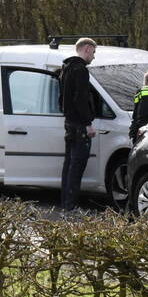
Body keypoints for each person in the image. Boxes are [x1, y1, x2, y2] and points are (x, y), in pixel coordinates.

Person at [58, 37, 97, 211]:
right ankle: (72, 206)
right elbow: (80, 98)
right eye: (94, 52)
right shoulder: (80, 70)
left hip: (69, 124)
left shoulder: (65, 68)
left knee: (68, 165)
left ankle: (66, 203)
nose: (94, 57)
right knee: (77, 166)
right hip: (80, 126)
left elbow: (62, 99)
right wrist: (87, 122)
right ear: (87, 48)